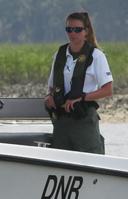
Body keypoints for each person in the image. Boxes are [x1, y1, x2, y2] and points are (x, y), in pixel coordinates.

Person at [43, 11, 113, 154]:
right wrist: (48, 96)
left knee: (91, 159)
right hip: (61, 121)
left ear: (86, 31)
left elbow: (108, 90)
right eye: (69, 29)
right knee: (60, 159)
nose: (73, 33)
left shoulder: (96, 56)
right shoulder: (60, 55)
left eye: (77, 29)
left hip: (83, 119)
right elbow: (51, 86)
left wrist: (81, 97)